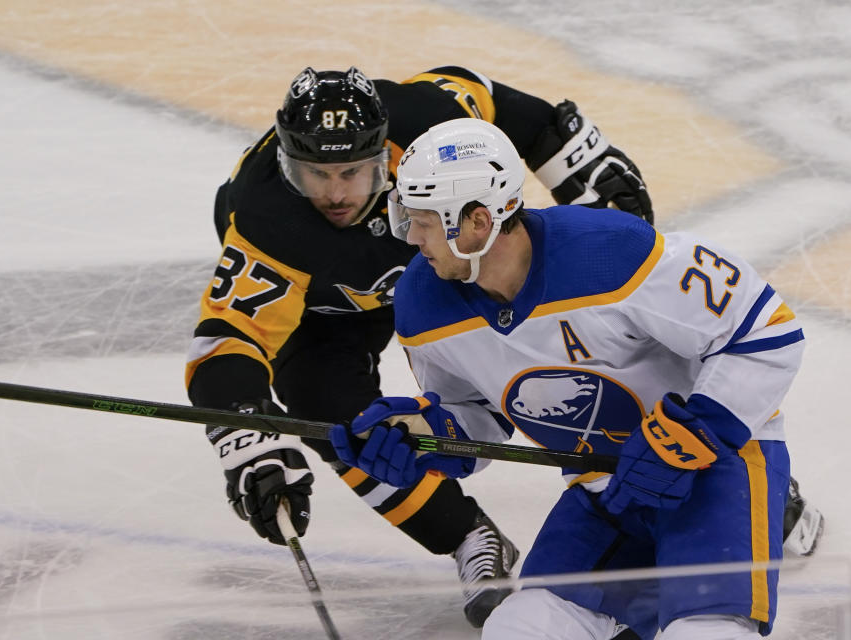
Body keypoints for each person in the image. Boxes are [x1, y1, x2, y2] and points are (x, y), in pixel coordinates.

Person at [185, 64, 655, 628]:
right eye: (316, 174)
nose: (336, 195)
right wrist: (246, 437)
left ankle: (709, 465)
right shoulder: (263, 217)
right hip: (328, 305)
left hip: (442, 258)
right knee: (335, 416)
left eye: (353, 173)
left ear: (384, 151)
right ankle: (469, 539)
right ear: (287, 163)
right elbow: (226, 340)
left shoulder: (428, 122)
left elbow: (491, 99)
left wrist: (578, 159)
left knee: (570, 333)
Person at [330, 118, 807, 639]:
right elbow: (479, 416)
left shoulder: (611, 253)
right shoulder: (423, 303)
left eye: (422, 220)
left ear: (478, 221)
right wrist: (417, 437)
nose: (411, 237)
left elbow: (766, 332)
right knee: (518, 630)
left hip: (717, 466)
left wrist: (694, 433)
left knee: (708, 633)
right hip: (604, 489)